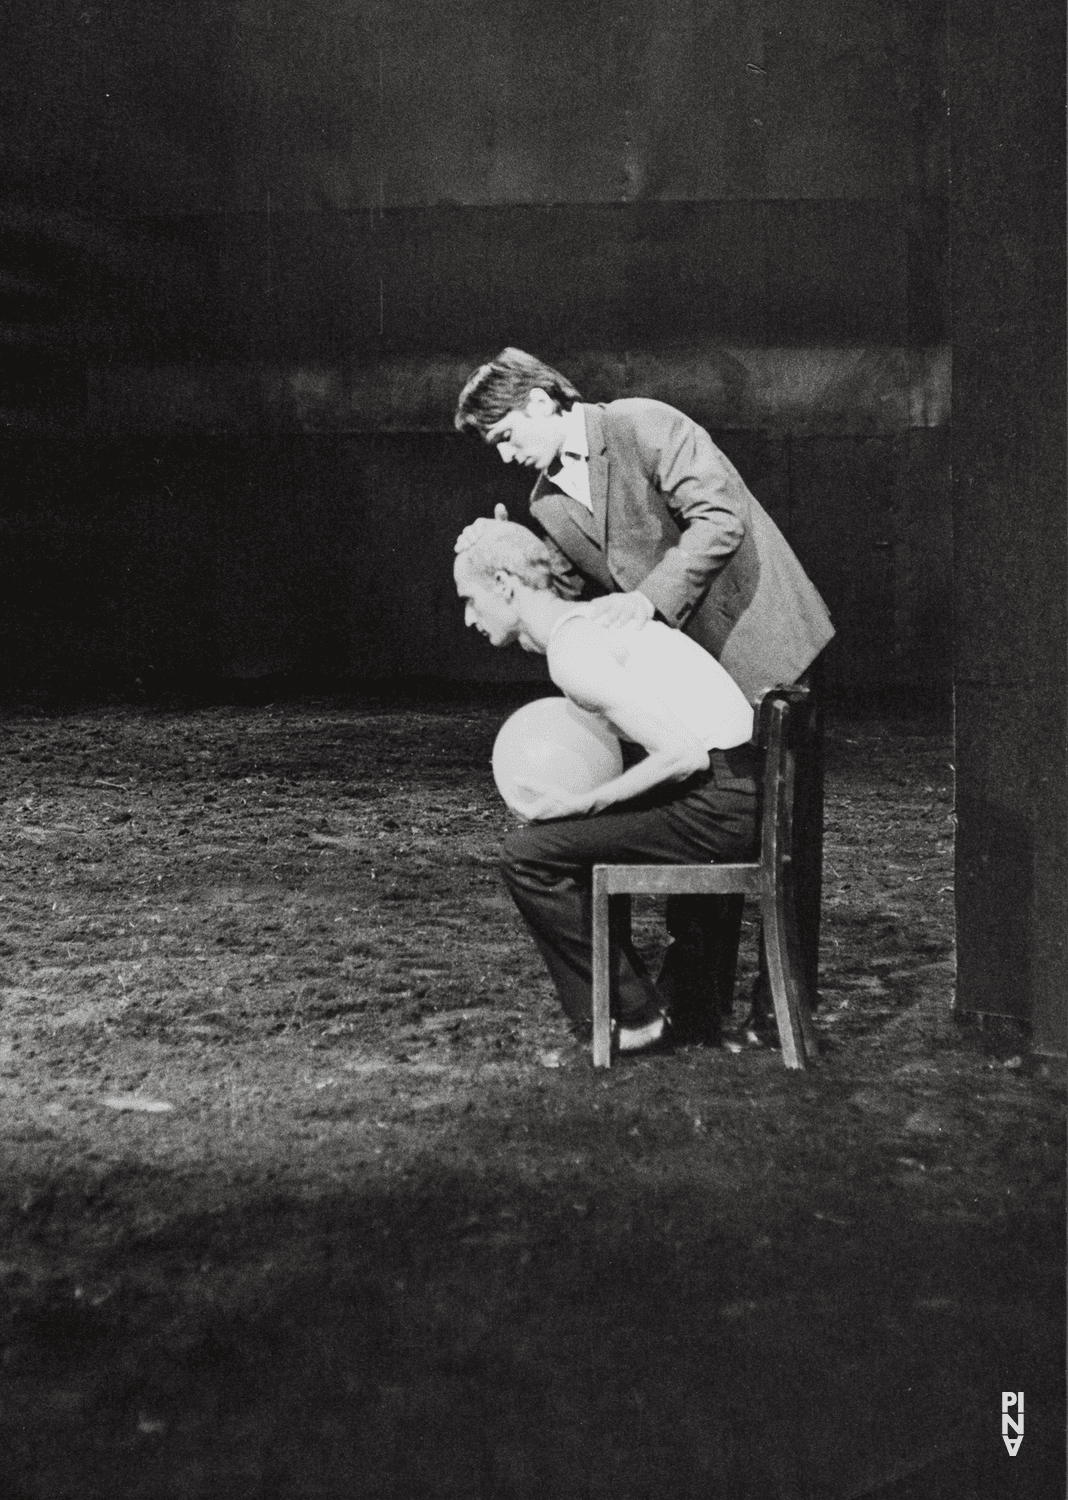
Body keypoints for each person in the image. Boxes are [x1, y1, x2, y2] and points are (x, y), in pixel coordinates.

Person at [454, 347, 834, 1022]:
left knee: (786, 841)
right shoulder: (547, 503)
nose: (507, 456)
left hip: (765, 648)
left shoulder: (642, 424)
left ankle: (783, 1009)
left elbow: (721, 520)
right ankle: (695, 1005)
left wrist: (649, 600)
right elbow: (570, 595)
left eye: (507, 435)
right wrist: (507, 552)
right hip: (688, 679)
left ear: (540, 401)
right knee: (695, 818)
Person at [455, 518, 760, 1055]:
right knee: (572, 835)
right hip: (735, 789)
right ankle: (656, 1006)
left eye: (470, 599)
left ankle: (633, 1017)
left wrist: (583, 801)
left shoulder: (573, 650)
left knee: (527, 856)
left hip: (720, 805)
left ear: (504, 584)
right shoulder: (587, 623)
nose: (467, 617)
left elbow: (683, 754)